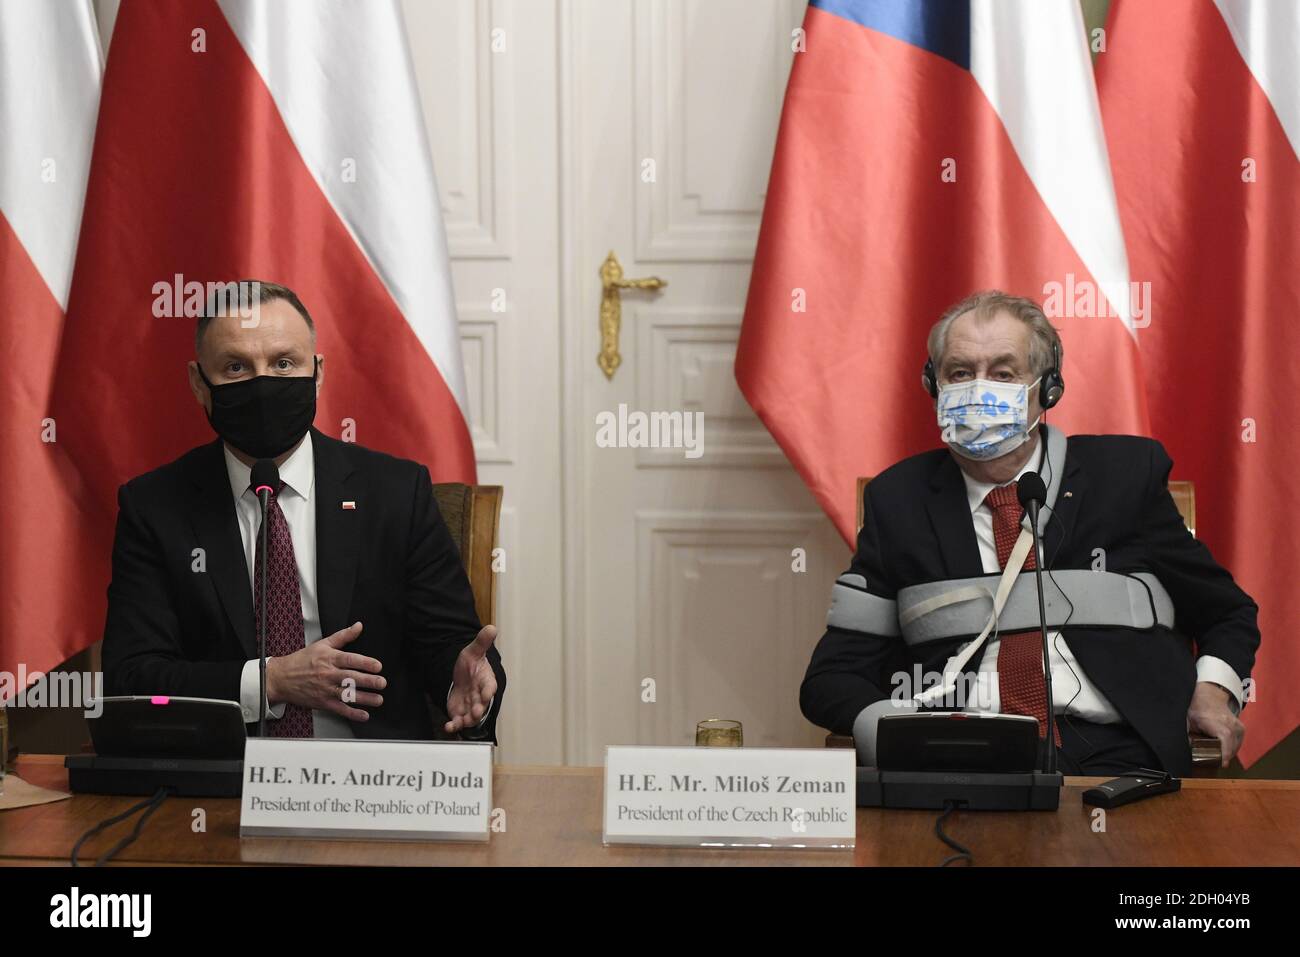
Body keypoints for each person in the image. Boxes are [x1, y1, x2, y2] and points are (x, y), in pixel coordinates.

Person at [800, 290, 1257, 774]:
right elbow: (832, 677)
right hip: (962, 757)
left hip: (1120, 752)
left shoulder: (1123, 477)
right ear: (934, 386)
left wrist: (1211, 692)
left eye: (1003, 372)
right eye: (959, 372)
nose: (979, 390)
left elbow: (1228, 612)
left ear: (1048, 389)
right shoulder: (899, 502)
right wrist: (892, 734)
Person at [102, 280, 505, 741]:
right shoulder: (155, 507)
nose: (263, 383)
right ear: (199, 383)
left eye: (283, 363)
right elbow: (132, 679)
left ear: (317, 372)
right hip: (222, 789)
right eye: (236, 367)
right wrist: (269, 680)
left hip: (374, 785)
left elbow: (449, 644)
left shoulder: (396, 492)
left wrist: (464, 682)